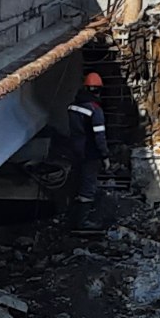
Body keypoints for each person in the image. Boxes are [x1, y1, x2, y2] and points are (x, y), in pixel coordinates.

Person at [56, 71, 109, 231]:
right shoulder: (95, 110)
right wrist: (105, 155)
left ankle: (71, 217)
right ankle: (83, 222)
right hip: (89, 152)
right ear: (98, 90)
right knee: (88, 185)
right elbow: (99, 137)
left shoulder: (73, 106)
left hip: (75, 150)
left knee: (76, 181)